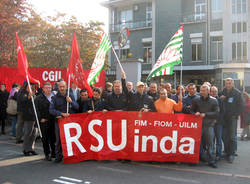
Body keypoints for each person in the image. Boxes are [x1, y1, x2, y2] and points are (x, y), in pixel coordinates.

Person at [49, 80, 79, 163]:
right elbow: (51, 110)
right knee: (59, 140)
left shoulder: (70, 95)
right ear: (58, 87)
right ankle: (58, 156)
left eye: (63, 86)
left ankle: (70, 155)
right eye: (60, 87)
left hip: (69, 122)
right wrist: (61, 114)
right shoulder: (54, 98)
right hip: (59, 121)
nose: (62, 88)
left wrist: (71, 102)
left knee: (70, 139)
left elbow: (77, 107)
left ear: (66, 87)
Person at [192, 85, 219, 168]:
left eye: (204, 91)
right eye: (201, 90)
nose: (202, 92)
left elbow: (217, 112)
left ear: (208, 91)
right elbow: (192, 110)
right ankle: (195, 160)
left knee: (210, 144)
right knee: (197, 143)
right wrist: (194, 113)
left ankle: (211, 160)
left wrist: (206, 114)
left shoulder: (214, 101)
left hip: (209, 125)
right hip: (198, 125)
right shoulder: (196, 100)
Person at [221, 78, 244, 163]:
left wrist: (236, 115)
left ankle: (231, 153)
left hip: (232, 118)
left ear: (233, 84)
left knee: (232, 136)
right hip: (224, 118)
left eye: (230, 83)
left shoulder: (237, 93)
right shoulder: (222, 91)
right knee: (224, 136)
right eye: (226, 83)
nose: (228, 85)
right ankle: (227, 151)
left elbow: (242, 106)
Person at [35, 82, 56, 161]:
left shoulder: (54, 97)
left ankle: (54, 153)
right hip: (44, 121)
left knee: (53, 138)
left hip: (53, 120)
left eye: (50, 88)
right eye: (46, 88)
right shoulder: (38, 98)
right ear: (43, 89)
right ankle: (47, 154)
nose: (48, 89)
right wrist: (40, 118)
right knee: (45, 139)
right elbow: (36, 110)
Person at [19, 82, 38, 156]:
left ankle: (31, 148)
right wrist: (28, 97)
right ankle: (25, 149)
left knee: (34, 134)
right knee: (28, 133)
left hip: (35, 116)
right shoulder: (23, 93)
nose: (32, 86)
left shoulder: (34, 92)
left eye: (33, 85)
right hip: (28, 117)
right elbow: (22, 101)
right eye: (30, 85)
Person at [210, 86, 224, 160]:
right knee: (212, 140)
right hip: (210, 123)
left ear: (217, 92)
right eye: (212, 91)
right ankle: (212, 154)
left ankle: (219, 154)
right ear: (210, 92)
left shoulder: (220, 100)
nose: (214, 93)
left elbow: (222, 112)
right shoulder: (208, 100)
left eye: (215, 91)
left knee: (218, 139)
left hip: (218, 123)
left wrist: (216, 120)